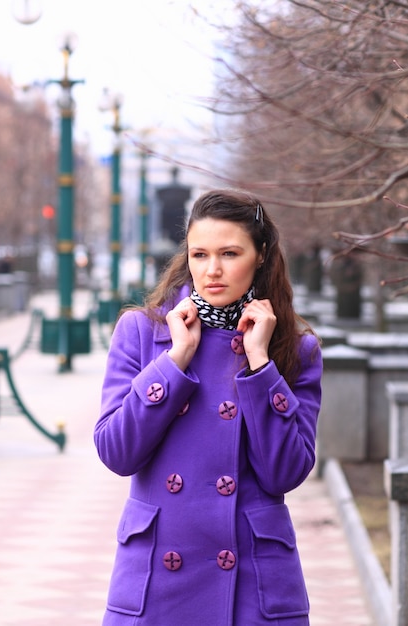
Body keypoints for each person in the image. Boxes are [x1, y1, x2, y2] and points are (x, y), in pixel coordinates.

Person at [94, 188, 323, 626]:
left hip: (251, 585)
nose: (212, 270)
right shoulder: (143, 333)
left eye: (230, 253)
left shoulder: (295, 350)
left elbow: (285, 473)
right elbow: (116, 452)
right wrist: (174, 361)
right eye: (199, 254)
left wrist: (259, 365)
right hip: (157, 581)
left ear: (260, 256)